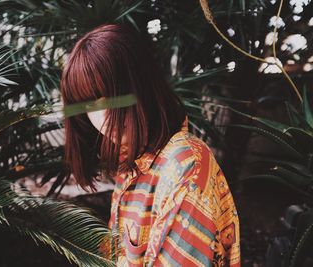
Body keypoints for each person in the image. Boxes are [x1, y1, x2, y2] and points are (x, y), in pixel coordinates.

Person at [60, 22, 241, 267]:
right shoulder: (131, 160)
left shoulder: (185, 168)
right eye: (91, 105)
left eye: (112, 97)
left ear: (141, 85)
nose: (103, 116)